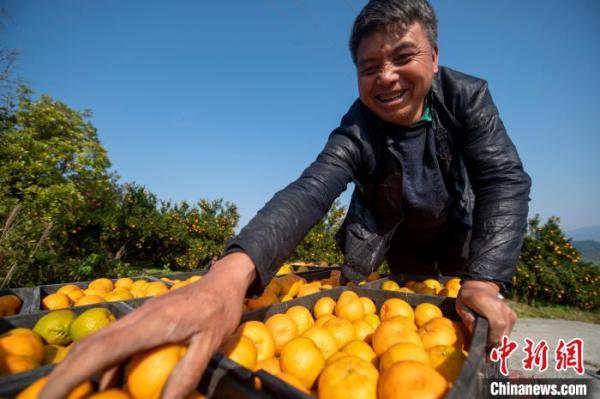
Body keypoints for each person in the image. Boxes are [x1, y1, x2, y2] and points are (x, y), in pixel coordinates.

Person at [41, 0, 530, 397]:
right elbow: (310, 190)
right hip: (392, 242)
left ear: (434, 57)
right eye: (369, 66)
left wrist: (485, 279)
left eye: (403, 56)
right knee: (404, 313)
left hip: (456, 238)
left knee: (469, 318)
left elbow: (502, 178)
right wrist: (226, 280)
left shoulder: (467, 97)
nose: (386, 77)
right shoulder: (358, 127)